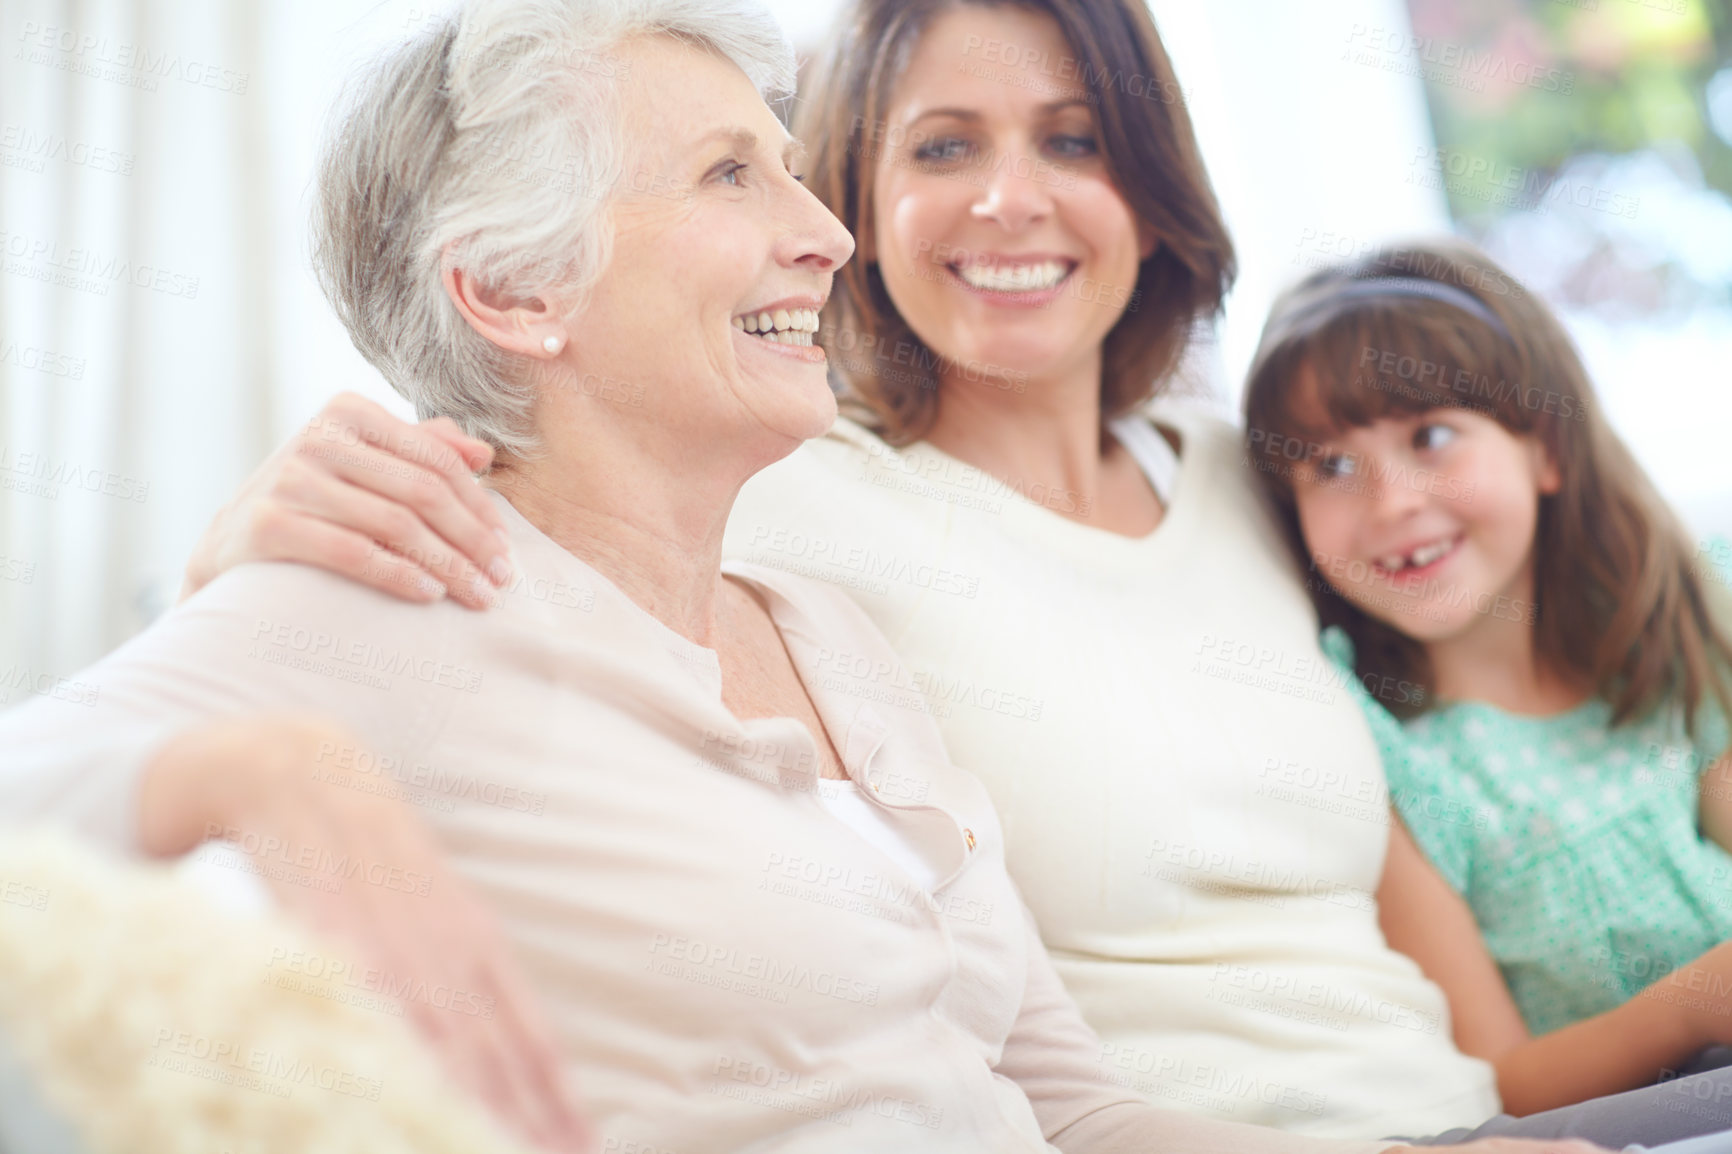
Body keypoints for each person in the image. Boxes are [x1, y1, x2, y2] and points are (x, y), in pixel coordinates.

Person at [0, 2, 1568, 1152]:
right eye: (730, 178)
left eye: (790, 172)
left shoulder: (826, 633)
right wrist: (244, 757)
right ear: (515, 289)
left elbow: (1074, 1105)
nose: (826, 232)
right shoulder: (399, 590)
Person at [1239, 239, 1732, 1116]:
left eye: (1430, 435)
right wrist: (1698, 1001)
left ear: (1543, 451)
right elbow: (1502, 1080)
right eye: (1333, 466)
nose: (1391, 502)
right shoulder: (1384, 756)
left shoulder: (1668, 635)